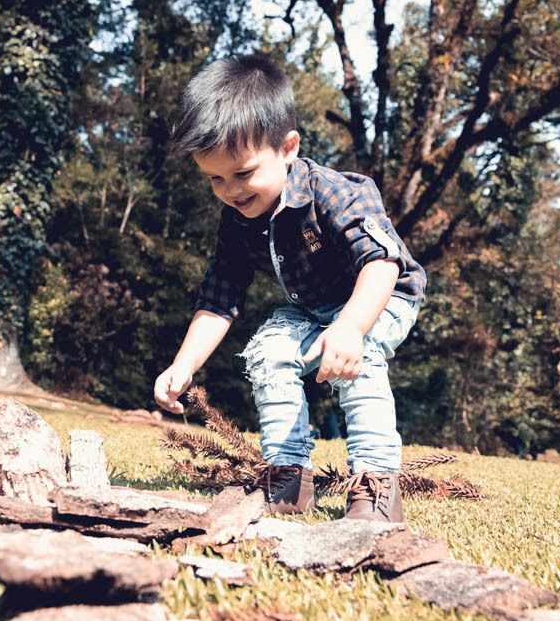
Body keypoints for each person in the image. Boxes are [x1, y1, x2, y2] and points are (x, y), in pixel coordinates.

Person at [153, 53, 426, 523]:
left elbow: (382, 262)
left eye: (243, 173)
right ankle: (288, 476)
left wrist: (350, 329)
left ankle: (377, 483)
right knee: (267, 351)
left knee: (361, 357)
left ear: (287, 148)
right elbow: (219, 299)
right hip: (315, 308)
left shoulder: (338, 192)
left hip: (381, 295)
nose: (231, 190)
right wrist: (184, 363)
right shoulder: (236, 219)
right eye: (215, 178)